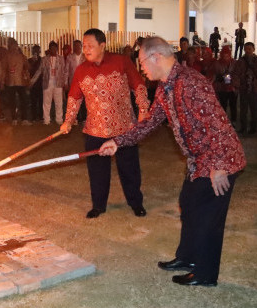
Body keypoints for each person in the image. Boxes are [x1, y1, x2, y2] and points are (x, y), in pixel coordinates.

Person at [99, 36, 245, 287]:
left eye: (142, 62)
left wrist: (219, 166)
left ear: (156, 57)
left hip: (219, 159)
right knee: (187, 203)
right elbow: (151, 121)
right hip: (199, 159)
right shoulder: (167, 87)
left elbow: (217, 124)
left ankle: (205, 274)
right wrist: (118, 141)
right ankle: (187, 258)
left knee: (206, 216)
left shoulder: (190, 83)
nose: (141, 68)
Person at [61, 28, 150, 219]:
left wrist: (143, 110)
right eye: (84, 46)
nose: (86, 49)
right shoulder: (81, 70)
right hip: (95, 130)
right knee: (97, 173)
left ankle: (136, 203)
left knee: (130, 170)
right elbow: (74, 98)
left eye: (91, 46)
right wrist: (68, 121)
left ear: (102, 46)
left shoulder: (121, 62)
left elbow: (139, 85)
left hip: (124, 128)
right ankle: (98, 206)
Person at [233, 42, 257, 135]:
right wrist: (236, 85)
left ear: (253, 49)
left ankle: (253, 128)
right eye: (246, 49)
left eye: (249, 49)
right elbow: (236, 73)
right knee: (243, 110)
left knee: (254, 110)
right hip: (244, 88)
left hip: (254, 88)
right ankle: (243, 127)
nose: (248, 51)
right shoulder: (241, 61)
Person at [31, 41, 66, 126]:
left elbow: (64, 71)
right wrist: (32, 81)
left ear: (57, 49)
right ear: (49, 49)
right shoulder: (44, 59)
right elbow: (39, 71)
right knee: (47, 102)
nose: (53, 50)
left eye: (55, 48)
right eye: (52, 48)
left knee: (59, 102)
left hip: (58, 83)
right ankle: (46, 120)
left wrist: (64, 83)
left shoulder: (61, 59)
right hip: (47, 83)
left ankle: (59, 119)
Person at [2, 38, 30, 125]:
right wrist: (2, 81)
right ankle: (14, 118)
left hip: (21, 81)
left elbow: (27, 67)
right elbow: (4, 69)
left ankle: (24, 119)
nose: (13, 47)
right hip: (10, 82)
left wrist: (26, 77)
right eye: (11, 45)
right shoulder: (7, 57)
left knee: (23, 100)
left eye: (14, 45)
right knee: (12, 101)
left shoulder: (22, 56)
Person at [213, 46, 237, 124]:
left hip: (232, 87)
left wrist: (232, 78)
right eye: (224, 55)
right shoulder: (217, 63)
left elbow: (237, 74)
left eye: (227, 56)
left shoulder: (234, 63)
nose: (225, 57)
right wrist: (222, 76)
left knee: (233, 105)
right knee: (223, 105)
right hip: (222, 87)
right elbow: (216, 74)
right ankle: (223, 120)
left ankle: (233, 120)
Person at [27, 45, 43, 122]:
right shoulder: (29, 60)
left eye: (37, 50)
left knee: (41, 101)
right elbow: (28, 71)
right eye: (34, 50)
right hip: (32, 84)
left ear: (40, 51)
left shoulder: (43, 60)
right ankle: (33, 117)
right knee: (33, 101)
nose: (36, 52)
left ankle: (40, 116)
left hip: (40, 83)